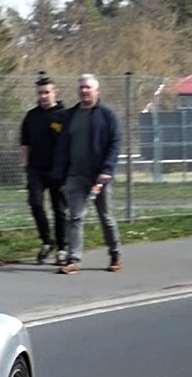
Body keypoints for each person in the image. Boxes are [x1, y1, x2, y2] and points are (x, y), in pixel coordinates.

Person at [50, 73, 123, 275]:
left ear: (97, 91)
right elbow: (62, 146)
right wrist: (60, 174)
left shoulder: (106, 115)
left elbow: (115, 143)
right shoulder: (71, 115)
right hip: (75, 176)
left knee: (106, 218)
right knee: (75, 217)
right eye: (81, 88)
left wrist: (107, 170)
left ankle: (115, 254)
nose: (84, 91)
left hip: (99, 176)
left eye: (88, 88)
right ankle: (74, 259)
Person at [18, 76, 69, 263]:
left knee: (60, 210)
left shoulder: (64, 115)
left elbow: (70, 143)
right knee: (35, 203)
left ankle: (63, 247)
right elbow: (24, 141)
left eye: (47, 92)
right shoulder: (32, 116)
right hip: (36, 169)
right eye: (40, 93)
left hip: (58, 170)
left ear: (55, 92)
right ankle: (47, 242)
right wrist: (25, 163)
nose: (44, 96)